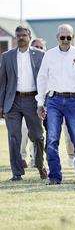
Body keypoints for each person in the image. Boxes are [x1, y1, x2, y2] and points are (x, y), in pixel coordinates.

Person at [36, 24, 75, 185]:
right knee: (52, 139)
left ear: (73, 37)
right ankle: (55, 176)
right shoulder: (49, 55)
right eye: (62, 37)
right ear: (57, 38)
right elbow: (41, 79)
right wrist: (40, 103)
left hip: (74, 101)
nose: (65, 40)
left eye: (69, 37)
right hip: (54, 100)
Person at [0, 26, 47, 181]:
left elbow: (46, 79)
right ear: (15, 37)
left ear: (29, 36)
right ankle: (17, 173)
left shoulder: (40, 55)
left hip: (33, 101)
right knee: (14, 137)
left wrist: (44, 102)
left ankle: (40, 166)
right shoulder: (6, 57)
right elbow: (2, 83)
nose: (20, 37)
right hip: (12, 102)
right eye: (18, 35)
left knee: (38, 136)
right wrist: (1, 105)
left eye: (23, 35)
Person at [20, 38, 47, 168]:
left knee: (42, 133)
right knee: (27, 130)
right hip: (29, 101)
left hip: (48, 101)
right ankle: (23, 157)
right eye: (36, 46)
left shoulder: (47, 61)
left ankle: (39, 160)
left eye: (41, 47)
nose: (39, 49)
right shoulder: (27, 62)